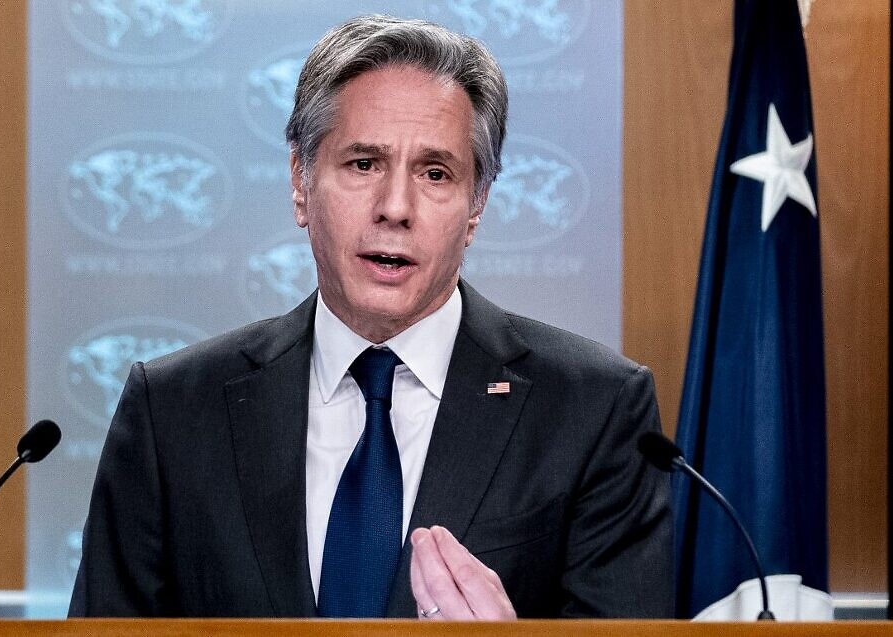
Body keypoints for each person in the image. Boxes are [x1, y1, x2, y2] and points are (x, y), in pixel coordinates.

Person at [69, 14, 672, 620]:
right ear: (301, 182)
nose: (395, 208)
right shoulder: (172, 410)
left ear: (476, 205)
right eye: (363, 164)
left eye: (435, 173)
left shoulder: (593, 408)